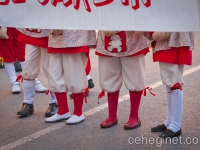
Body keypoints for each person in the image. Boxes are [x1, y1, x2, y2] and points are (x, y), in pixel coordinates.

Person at [96, 31, 149, 129]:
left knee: (135, 78)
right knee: (109, 78)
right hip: (107, 39)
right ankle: (112, 115)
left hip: (133, 39)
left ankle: (134, 116)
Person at [45, 30, 96, 124]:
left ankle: (78, 113)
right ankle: (63, 110)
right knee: (55, 74)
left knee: (75, 75)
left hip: (76, 38)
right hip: (56, 38)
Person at [150, 32, 194, 138]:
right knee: (169, 80)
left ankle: (175, 125)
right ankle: (170, 120)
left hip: (174, 38)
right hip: (169, 38)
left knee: (174, 80)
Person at [16, 28, 57, 117]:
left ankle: (54, 102)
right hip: (32, 31)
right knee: (29, 67)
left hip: (49, 32)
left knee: (50, 68)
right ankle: (27, 103)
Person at [0, 27, 47, 94]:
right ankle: (14, 82)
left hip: (20, 26)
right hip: (6, 26)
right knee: (7, 55)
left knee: (24, 55)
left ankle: (32, 80)